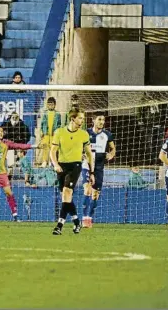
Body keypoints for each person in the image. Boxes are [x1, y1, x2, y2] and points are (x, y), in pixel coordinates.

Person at [50, 107, 95, 235]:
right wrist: (56, 164)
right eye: (80, 118)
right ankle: (76, 222)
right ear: (72, 118)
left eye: (83, 118)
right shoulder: (59, 132)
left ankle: (59, 226)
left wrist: (91, 172)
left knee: (66, 193)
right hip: (61, 166)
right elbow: (52, 151)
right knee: (66, 197)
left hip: (75, 166)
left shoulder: (84, 134)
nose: (82, 121)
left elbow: (89, 154)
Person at [80, 113, 116, 228]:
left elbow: (113, 148)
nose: (101, 122)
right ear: (93, 120)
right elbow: (78, 146)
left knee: (95, 194)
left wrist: (111, 154)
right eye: (99, 119)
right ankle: (84, 218)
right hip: (87, 165)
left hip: (99, 167)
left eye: (103, 120)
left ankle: (90, 217)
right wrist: (81, 154)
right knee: (87, 189)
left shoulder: (107, 135)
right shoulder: (86, 133)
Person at [40, 97, 61, 167]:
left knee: (53, 148)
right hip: (46, 134)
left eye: (52, 104)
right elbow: (42, 123)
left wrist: (57, 132)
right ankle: (44, 161)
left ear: (55, 105)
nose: (50, 106)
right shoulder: (45, 113)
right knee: (45, 147)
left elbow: (59, 124)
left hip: (53, 134)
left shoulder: (57, 114)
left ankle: (52, 161)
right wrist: (41, 131)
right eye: (49, 104)